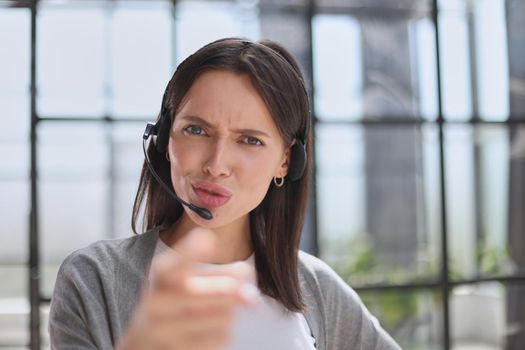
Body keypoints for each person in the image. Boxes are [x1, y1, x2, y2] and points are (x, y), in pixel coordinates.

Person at [49, 37, 401, 350]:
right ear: (164, 138)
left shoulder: (316, 287)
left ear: (285, 161)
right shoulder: (93, 278)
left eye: (250, 140)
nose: (217, 164)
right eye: (197, 130)